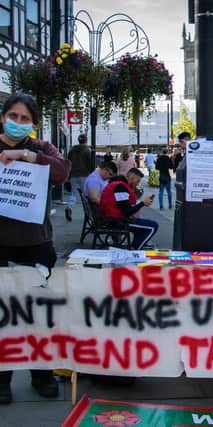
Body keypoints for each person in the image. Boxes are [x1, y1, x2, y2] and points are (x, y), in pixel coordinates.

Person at [0, 93, 71, 404]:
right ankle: (3, 380)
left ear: (34, 123)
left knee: (38, 316)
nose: (17, 123)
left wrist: (25, 157)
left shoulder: (41, 148)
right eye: (13, 116)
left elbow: (62, 171)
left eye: (24, 119)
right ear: (2, 117)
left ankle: (41, 376)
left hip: (36, 244)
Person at [99, 168, 158, 250]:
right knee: (153, 226)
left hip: (113, 218)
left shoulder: (118, 184)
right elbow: (126, 212)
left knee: (144, 225)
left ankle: (134, 246)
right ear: (131, 178)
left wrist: (141, 203)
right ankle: (136, 249)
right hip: (116, 221)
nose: (137, 184)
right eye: (137, 181)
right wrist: (142, 203)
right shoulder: (121, 187)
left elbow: (123, 205)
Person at [65, 133, 92, 221]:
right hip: (84, 175)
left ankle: (69, 206)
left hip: (73, 175)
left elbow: (68, 163)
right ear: (86, 140)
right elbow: (90, 163)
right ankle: (88, 214)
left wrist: (68, 176)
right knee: (87, 195)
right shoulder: (87, 151)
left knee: (73, 194)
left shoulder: (72, 151)